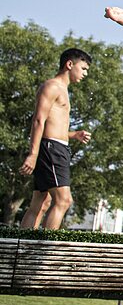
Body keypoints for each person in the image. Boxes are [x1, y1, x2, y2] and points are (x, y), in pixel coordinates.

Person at [19, 48, 93, 230]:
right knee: (64, 200)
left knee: (41, 203)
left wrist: (73, 135)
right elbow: (38, 120)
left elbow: (53, 127)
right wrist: (33, 154)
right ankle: (46, 251)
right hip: (52, 149)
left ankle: (21, 250)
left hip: (55, 146)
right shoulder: (52, 86)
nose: (85, 74)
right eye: (83, 68)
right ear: (69, 64)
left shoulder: (64, 90)